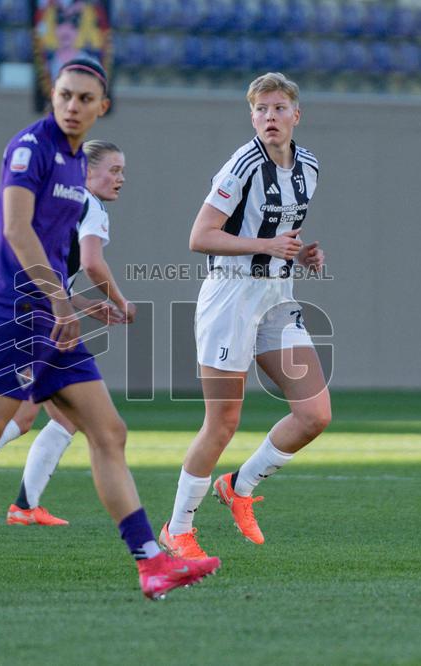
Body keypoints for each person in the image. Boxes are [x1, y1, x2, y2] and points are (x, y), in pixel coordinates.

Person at [0, 57, 221, 603]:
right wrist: (62, 304)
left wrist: (76, 309)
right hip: (16, 313)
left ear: (101, 107)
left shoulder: (74, 166)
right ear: (53, 94)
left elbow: (57, 252)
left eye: (84, 99)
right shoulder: (30, 150)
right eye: (65, 95)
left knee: (108, 430)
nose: (72, 106)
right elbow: (18, 232)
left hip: (51, 319)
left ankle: (150, 564)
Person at [0, 140, 137, 528]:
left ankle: (25, 506)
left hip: (28, 309)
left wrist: (85, 305)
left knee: (56, 417)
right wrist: (120, 299)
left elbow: (50, 271)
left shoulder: (61, 205)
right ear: (85, 171)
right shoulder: (91, 206)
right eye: (113, 170)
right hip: (36, 320)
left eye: (122, 172)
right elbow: (93, 262)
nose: (121, 179)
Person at [158, 72, 331, 559]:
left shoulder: (309, 166)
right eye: (260, 110)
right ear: (251, 116)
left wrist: (300, 254)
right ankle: (177, 529)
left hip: (276, 294)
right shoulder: (242, 164)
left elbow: (279, 233)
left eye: (278, 109)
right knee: (222, 423)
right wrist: (266, 246)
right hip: (230, 295)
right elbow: (199, 236)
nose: (269, 118)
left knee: (314, 413)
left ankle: (239, 486)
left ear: (297, 115)